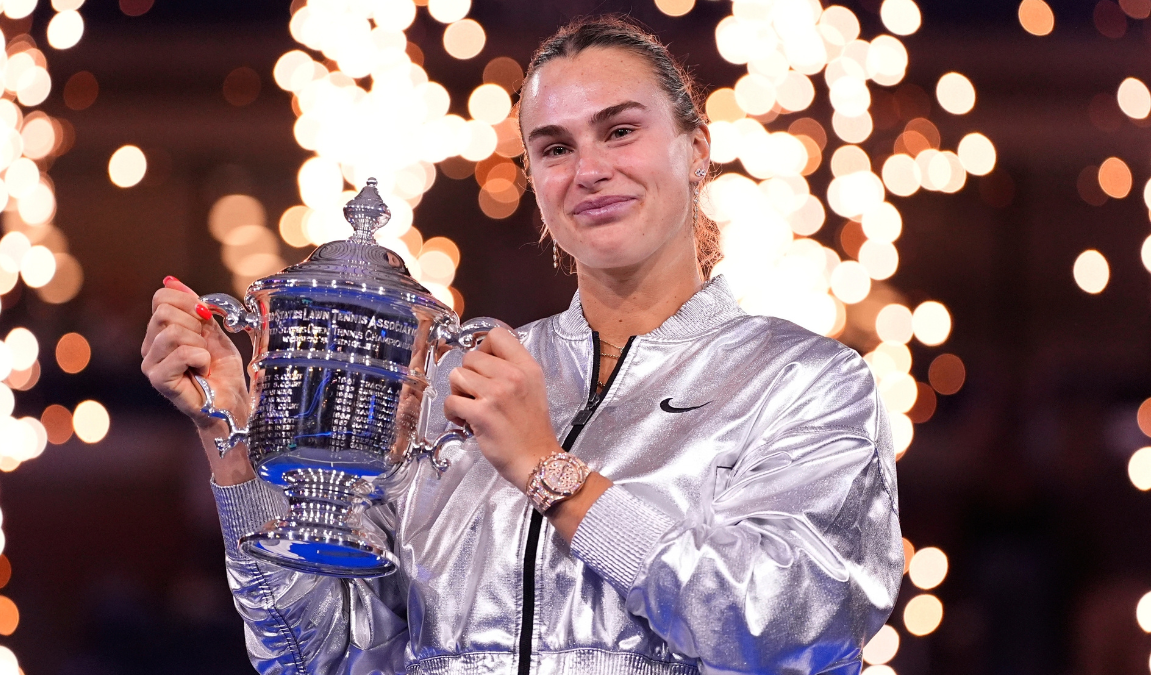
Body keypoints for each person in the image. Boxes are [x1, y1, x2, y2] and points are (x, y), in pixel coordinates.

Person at [141, 16, 902, 675]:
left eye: (621, 130)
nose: (590, 170)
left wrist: (550, 472)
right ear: (534, 178)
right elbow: (320, 656)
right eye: (554, 148)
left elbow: (791, 626)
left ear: (696, 148)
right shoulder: (453, 388)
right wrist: (232, 439)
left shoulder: (809, 383)